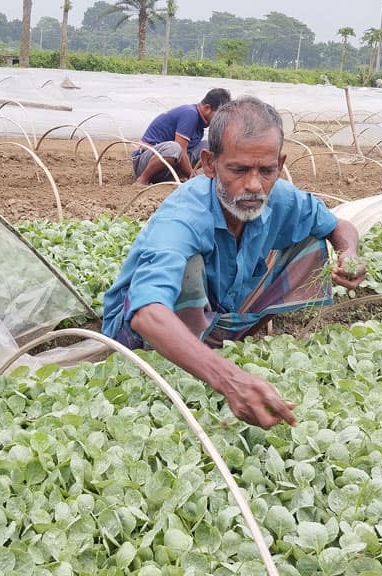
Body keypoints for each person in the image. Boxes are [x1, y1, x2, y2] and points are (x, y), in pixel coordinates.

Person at [103, 96, 367, 429]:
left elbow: (339, 226)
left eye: (266, 170)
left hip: (219, 310)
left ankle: (220, 345)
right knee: (187, 266)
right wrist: (230, 380)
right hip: (137, 333)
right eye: (238, 170)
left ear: (279, 163)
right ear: (210, 164)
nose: (254, 185)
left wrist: (349, 252)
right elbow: (147, 313)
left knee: (312, 242)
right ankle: (201, 358)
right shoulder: (184, 215)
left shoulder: (280, 197)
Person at [132, 88, 231, 185]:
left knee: (209, 146)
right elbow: (181, 149)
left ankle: (177, 175)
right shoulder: (190, 114)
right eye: (218, 116)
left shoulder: (200, 123)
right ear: (207, 108)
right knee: (175, 148)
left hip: (168, 165)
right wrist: (192, 176)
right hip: (144, 162)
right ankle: (143, 179)